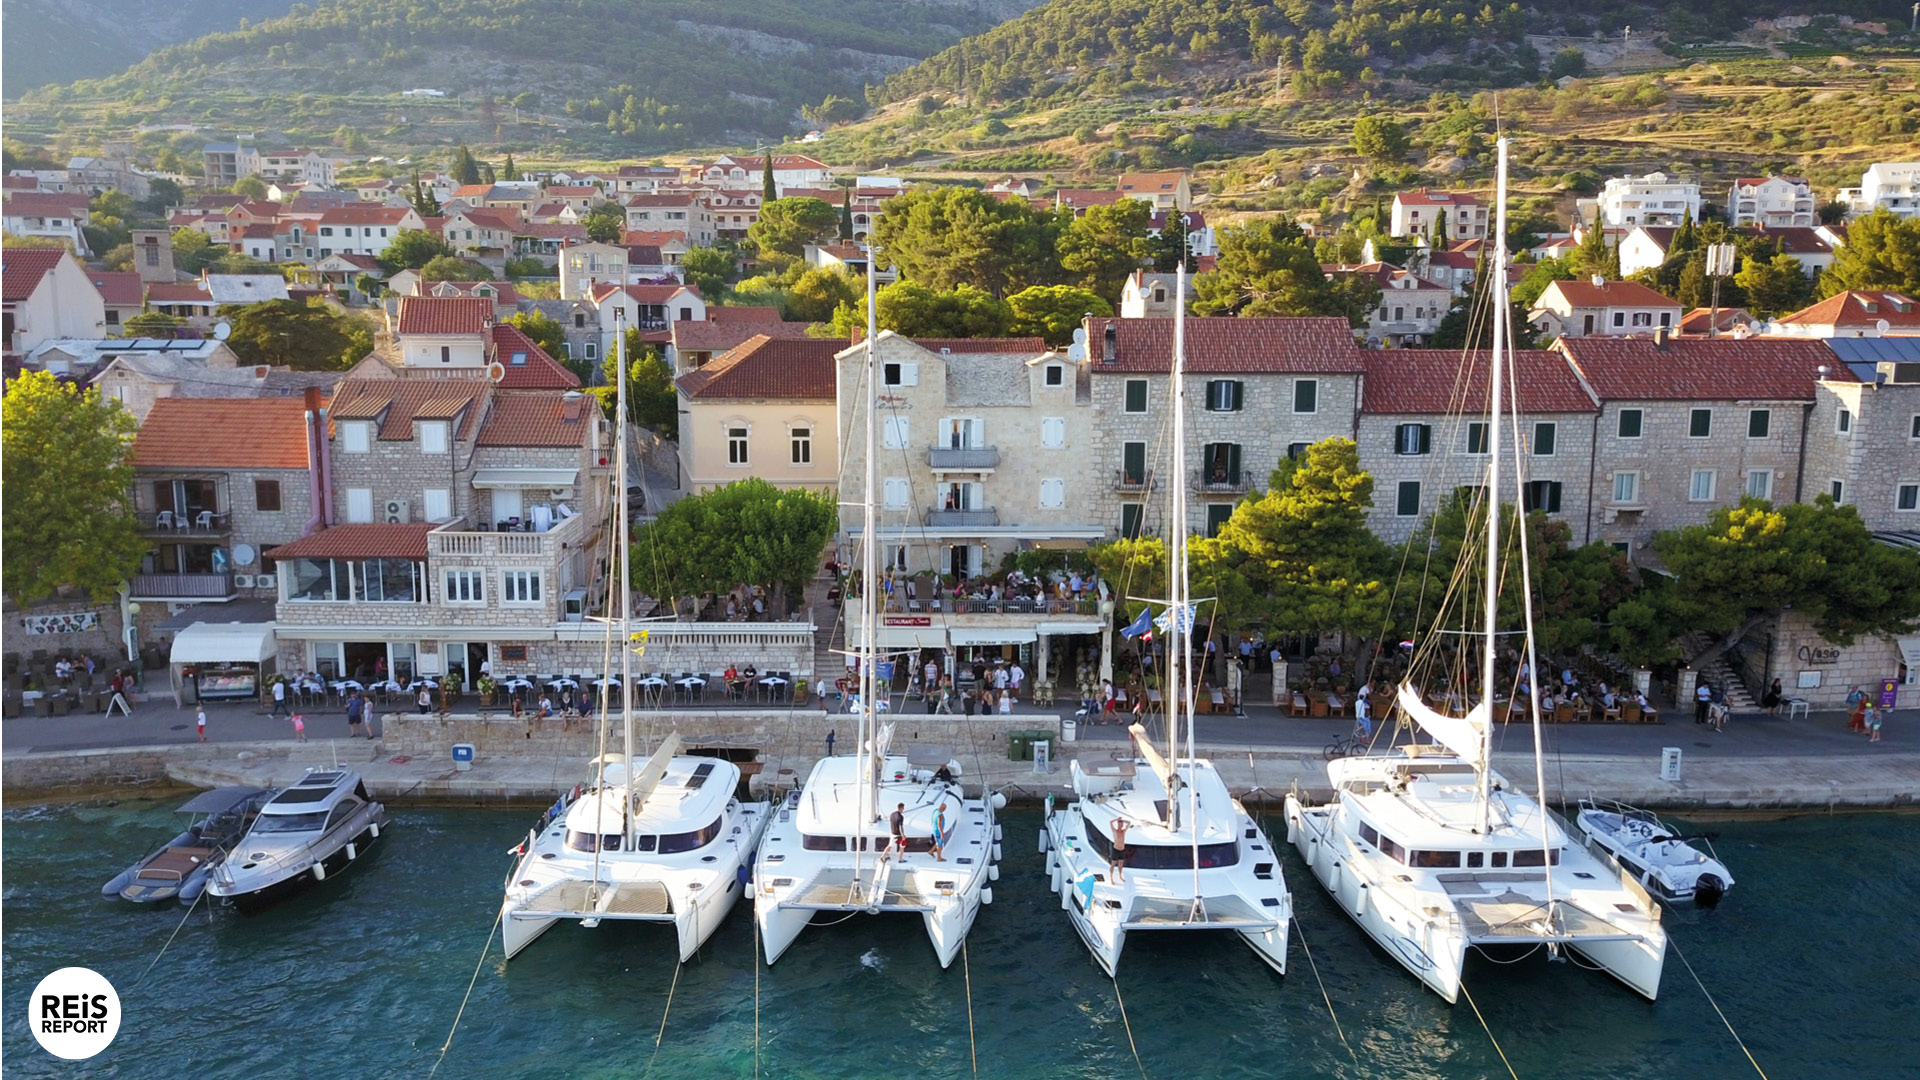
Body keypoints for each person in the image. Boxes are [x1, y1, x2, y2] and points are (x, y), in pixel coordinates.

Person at [1109, 818, 1128, 883]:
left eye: (1122, 824)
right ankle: (1111, 878)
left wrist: (1123, 820)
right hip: (1116, 849)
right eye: (1120, 824)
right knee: (1113, 864)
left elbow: (1129, 823)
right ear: (1117, 824)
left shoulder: (1123, 831)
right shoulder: (1115, 831)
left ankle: (1120, 876)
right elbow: (1110, 822)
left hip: (1122, 850)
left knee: (1121, 864)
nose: (1121, 825)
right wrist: (1117, 819)